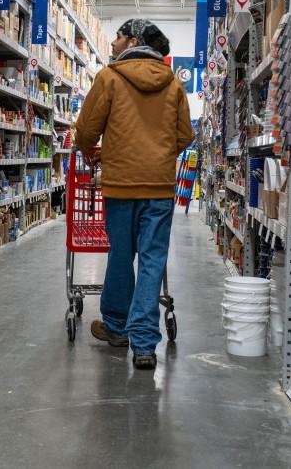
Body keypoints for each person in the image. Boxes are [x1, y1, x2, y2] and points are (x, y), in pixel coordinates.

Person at [74, 19, 194, 369]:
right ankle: (144, 344)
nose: (113, 43)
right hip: (158, 186)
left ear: (133, 41)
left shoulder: (109, 77)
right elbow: (185, 135)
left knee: (121, 254)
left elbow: (86, 129)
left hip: (120, 184)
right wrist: (158, 152)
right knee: (153, 260)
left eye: (117, 36)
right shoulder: (172, 83)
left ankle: (116, 326)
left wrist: (88, 150)